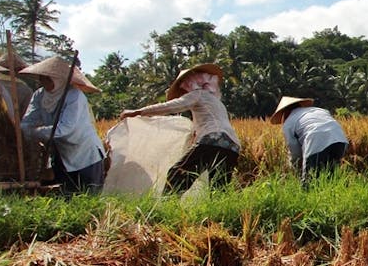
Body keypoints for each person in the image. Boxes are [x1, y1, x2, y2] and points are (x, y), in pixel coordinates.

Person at [120, 62, 240, 192]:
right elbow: (207, 123)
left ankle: (167, 209)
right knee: (218, 186)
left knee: (177, 174)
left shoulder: (198, 95)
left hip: (213, 139)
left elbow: (170, 107)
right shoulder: (216, 102)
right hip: (232, 146)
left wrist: (137, 112)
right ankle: (220, 211)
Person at [18, 55, 106, 193]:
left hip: (84, 154)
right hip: (60, 155)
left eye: (48, 78)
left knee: (90, 197)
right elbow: (27, 122)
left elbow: (64, 129)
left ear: (58, 79)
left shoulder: (73, 96)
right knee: (67, 197)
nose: (43, 81)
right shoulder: (39, 95)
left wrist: (35, 132)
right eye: (42, 77)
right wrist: (25, 130)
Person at [268, 96, 348, 182]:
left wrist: (294, 168)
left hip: (316, 139)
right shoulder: (318, 110)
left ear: (285, 111)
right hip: (340, 139)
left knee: (309, 180)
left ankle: (307, 193)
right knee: (332, 176)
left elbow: (295, 152)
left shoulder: (288, 123)